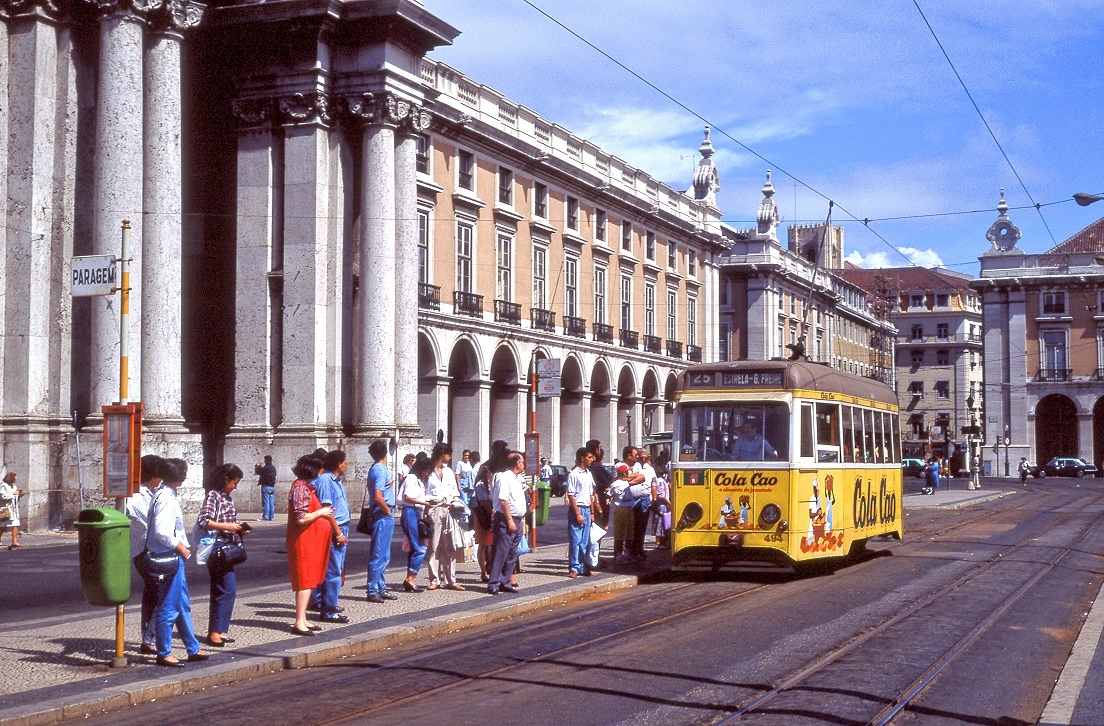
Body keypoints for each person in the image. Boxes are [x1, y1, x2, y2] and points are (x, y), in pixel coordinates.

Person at [149, 458, 209, 667]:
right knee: (168, 606)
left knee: (182, 604)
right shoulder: (165, 498)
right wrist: (180, 547)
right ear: (179, 477)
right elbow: (162, 531)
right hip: (170, 556)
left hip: (173, 556)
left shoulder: (165, 494)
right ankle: (164, 652)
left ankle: (192, 647)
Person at [198, 463, 249, 647]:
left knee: (227, 589)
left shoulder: (227, 497)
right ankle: (214, 632)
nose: (235, 486)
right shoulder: (213, 496)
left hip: (228, 546)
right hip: (218, 548)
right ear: (226, 479)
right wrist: (229, 527)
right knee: (225, 589)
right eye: (234, 482)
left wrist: (239, 529)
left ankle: (220, 629)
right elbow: (205, 520)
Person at [286, 455, 332, 635]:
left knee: (309, 579)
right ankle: (299, 621)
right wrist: (321, 512)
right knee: (304, 581)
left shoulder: (305, 487)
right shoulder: (299, 488)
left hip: (310, 540)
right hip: (303, 540)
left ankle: (303, 618)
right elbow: (301, 518)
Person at [127, 455, 164, 653]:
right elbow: (150, 525)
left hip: (145, 551)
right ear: (154, 476)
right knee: (159, 593)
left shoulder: (149, 494)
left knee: (153, 592)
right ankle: (150, 639)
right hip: (145, 551)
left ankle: (149, 638)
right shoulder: (137, 498)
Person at [311, 450, 350, 622]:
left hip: (341, 527)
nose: (346, 466)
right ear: (338, 464)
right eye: (344, 462)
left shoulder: (335, 480)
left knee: (334, 568)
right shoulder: (326, 481)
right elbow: (328, 510)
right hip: (336, 529)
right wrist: (338, 532)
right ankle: (329, 609)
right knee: (334, 570)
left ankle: (325, 602)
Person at [424, 442, 464, 590]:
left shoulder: (449, 472)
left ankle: (451, 580)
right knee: (434, 545)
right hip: (434, 509)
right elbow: (424, 491)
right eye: (448, 454)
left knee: (449, 545)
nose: (450, 457)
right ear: (442, 454)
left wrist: (454, 501)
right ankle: (434, 579)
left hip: (449, 509)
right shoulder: (429, 472)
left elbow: (455, 490)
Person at [487, 451, 527, 595]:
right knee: (501, 551)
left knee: (512, 553)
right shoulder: (505, 478)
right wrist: (510, 520)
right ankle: (493, 582)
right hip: (506, 519)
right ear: (517, 463)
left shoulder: (518, 479)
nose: (524, 464)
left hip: (517, 519)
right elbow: (503, 500)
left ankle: (505, 581)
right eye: (522, 462)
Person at [364, 439, 397, 604]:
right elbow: (378, 496)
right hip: (383, 513)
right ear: (386, 453)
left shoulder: (378, 469)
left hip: (383, 512)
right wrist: (388, 510)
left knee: (384, 553)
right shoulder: (380, 471)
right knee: (379, 553)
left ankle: (381, 587)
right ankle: (372, 589)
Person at [474, 441, 508, 582]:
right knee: (484, 544)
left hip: (495, 510)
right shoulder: (488, 468)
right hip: (485, 513)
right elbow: (481, 497)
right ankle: (485, 571)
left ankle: (493, 569)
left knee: (494, 543)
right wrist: (493, 510)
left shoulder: (500, 466)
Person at [398, 457, 432, 592]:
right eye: (426, 470)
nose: (427, 473)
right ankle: (410, 578)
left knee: (415, 547)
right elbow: (407, 497)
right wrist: (425, 504)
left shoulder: (419, 480)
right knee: (420, 548)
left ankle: (410, 578)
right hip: (410, 512)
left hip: (416, 512)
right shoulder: (411, 478)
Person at [566, 447, 598, 578]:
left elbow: (591, 494)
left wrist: (592, 512)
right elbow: (571, 495)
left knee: (585, 541)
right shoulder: (574, 474)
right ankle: (573, 567)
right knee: (575, 540)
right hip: (577, 508)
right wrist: (578, 513)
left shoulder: (588, 474)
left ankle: (583, 566)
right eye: (589, 457)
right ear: (582, 458)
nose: (592, 460)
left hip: (586, 508)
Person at [0, 471, 27, 549]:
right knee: (2, 525)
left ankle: (14, 541)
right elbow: (3, 497)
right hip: (5, 508)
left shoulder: (14, 487)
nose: (16, 479)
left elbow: (15, 498)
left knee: (16, 524)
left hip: (14, 509)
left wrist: (20, 495)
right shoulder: (3, 486)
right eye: (15, 477)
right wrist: (14, 493)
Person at [254, 456, 277, 521]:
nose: (264, 461)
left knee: (266, 502)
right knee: (271, 503)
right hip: (272, 486)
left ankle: (265, 517)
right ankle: (271, 517)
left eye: (265, 460)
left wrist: (257, 466)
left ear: (267, 460)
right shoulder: (273, 468)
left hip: (266, 486)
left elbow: (259, 472)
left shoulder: (266, 468)